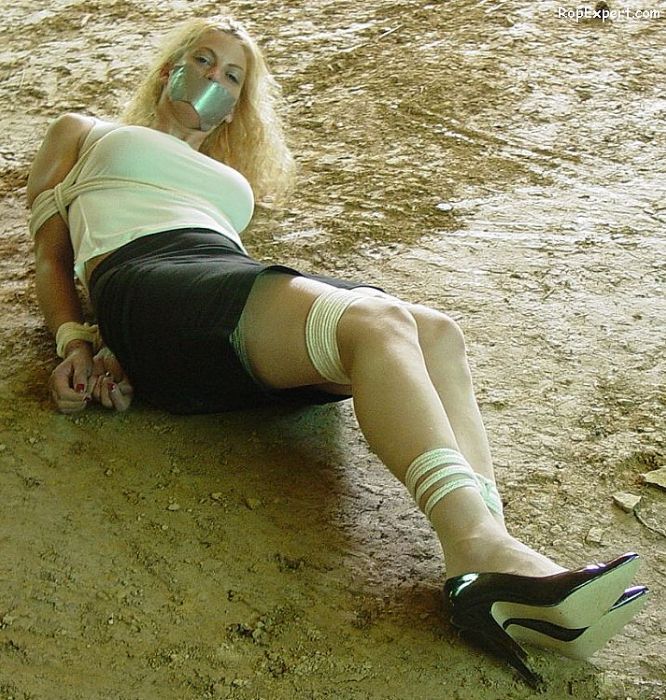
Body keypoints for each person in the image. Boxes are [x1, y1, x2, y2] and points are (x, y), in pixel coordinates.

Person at [26, 15, 647, 688]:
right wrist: (79, 342)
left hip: (217, 282)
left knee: (437, 334)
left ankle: (492, 564)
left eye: (231, 75)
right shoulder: (85, 131)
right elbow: (52, 256)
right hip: (147, 277)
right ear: (169, 67)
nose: (212, 77)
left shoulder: (223, 175)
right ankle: (479, 548)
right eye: (202, 59)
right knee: (374, 321)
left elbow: (226, 270)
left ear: (237, 105)